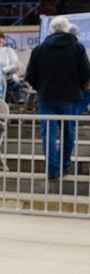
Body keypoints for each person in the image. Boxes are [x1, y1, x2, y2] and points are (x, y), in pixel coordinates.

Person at [25, 16, 90, 180]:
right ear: (67, 29)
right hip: (70, 97)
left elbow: (30, 75)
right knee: (68, 134)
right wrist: (77, 86)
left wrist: (41, 88)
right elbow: (86, 74)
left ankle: (52, 170)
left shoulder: (39, 49)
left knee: (49, 135)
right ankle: (64, 166)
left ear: (51, 29)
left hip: (46, 97)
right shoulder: (77, 47)